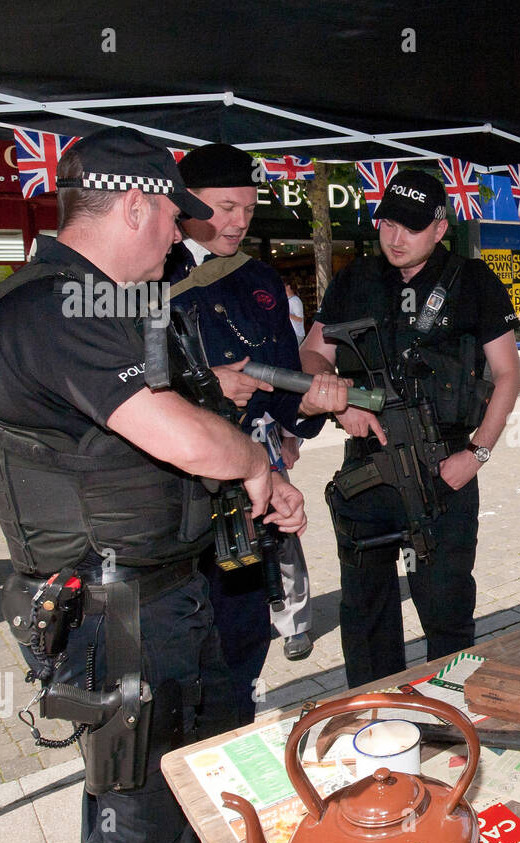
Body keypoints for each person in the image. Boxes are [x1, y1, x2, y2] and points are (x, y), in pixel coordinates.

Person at [0, 127, 307, 843]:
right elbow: (177, 435)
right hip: (117, 615)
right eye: (176, 217)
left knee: (196, 794)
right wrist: (251, 462)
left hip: (167, 596)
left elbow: (161, 440)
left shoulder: (108, 305)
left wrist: (255, 482)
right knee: (142, 825)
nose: (180, 235)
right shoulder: (50, 309)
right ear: (137, 208)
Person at [301, 170, 520, 687]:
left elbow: (508, 374)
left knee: (447, 611)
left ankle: (450, 717)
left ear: (440, 228)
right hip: (367, 461)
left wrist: (477, 454)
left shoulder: (473, 282)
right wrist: (337, 399)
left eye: (413, 227)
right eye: (388, 224)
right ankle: (378, 720)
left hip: (444, 468)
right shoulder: (355, 280)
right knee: (366, 613)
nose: (396, 238)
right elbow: (313, 351)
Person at [165, 143, 342, 717]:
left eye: (247, 207)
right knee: (180, 647)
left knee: (241, 638)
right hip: (171, 492)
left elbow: (286, 388)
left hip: (249, 493)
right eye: (224, 207)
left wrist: (314, 403)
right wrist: (209, 385)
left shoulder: (260, 280)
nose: (240, 221)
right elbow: (117, 392)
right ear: (183, 204)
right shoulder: (145, 274)